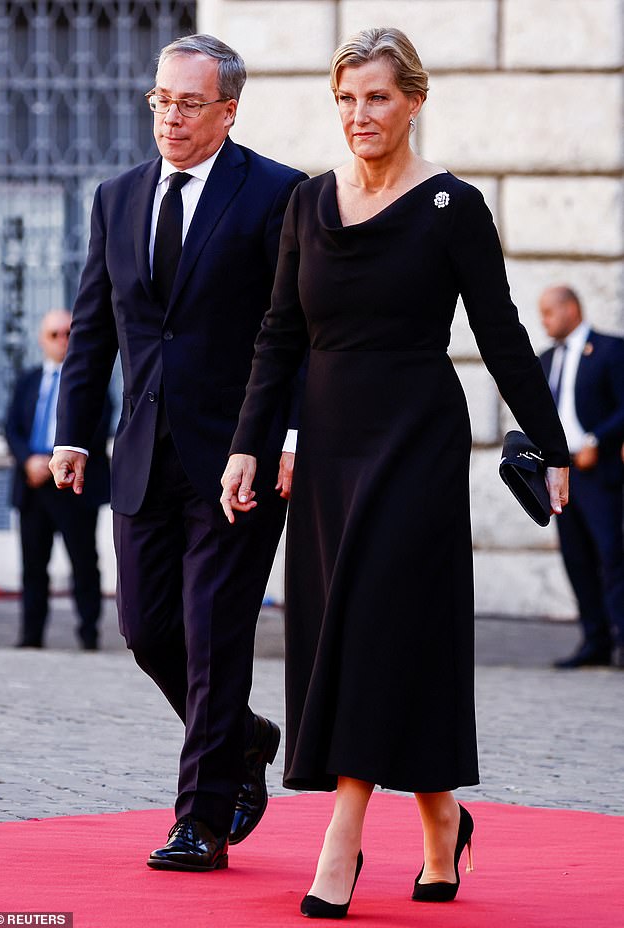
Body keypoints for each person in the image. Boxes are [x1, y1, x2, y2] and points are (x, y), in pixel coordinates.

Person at [221, 27, 569, 918]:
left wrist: (553, 444)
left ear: (414, 100)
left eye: (376, 97)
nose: (359, 115)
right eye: (345, 98)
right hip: (332, 445)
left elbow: (500, 335)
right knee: (360, 627)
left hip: (417, 440)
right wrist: (250, 444)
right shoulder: (305, 204)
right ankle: (444, 823)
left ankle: (342, 840)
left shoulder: (453, 208)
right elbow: (278, 337)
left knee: (374, 621)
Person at [48, 35, 306, 871]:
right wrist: (74, 431)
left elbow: (294, 331)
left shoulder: (276, 194)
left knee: (214, 632)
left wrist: (287, 437)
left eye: (189, 103)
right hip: (140, 455)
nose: (170, 116)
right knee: (146, 628)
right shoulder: (116, 196)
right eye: (161, 99)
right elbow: (96, 326)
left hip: (239, 459)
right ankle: (246, 735)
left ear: (228, 110)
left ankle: (200, 818)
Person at [5, 309, 111, 650]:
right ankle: (31, 637)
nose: (63, 340)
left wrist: (58, 458)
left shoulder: (90, 381)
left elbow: (99, 425)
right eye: (55, 334)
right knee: (33, 565)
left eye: (68, 333)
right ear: (42, 339)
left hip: (74, 486)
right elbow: (12, 428)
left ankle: (89, 636)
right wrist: (28, 461)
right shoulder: (29, 380)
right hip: (33, 485)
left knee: (83, 563)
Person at [539, 285, 624, 669]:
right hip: (560, 474)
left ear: (571, 309)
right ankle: (596, 641)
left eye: (548, 312)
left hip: (598, 473)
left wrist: (599, 441)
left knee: (611, 555)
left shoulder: (609, 349)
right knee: (576, 558)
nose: (544, 320)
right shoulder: (544, 361)